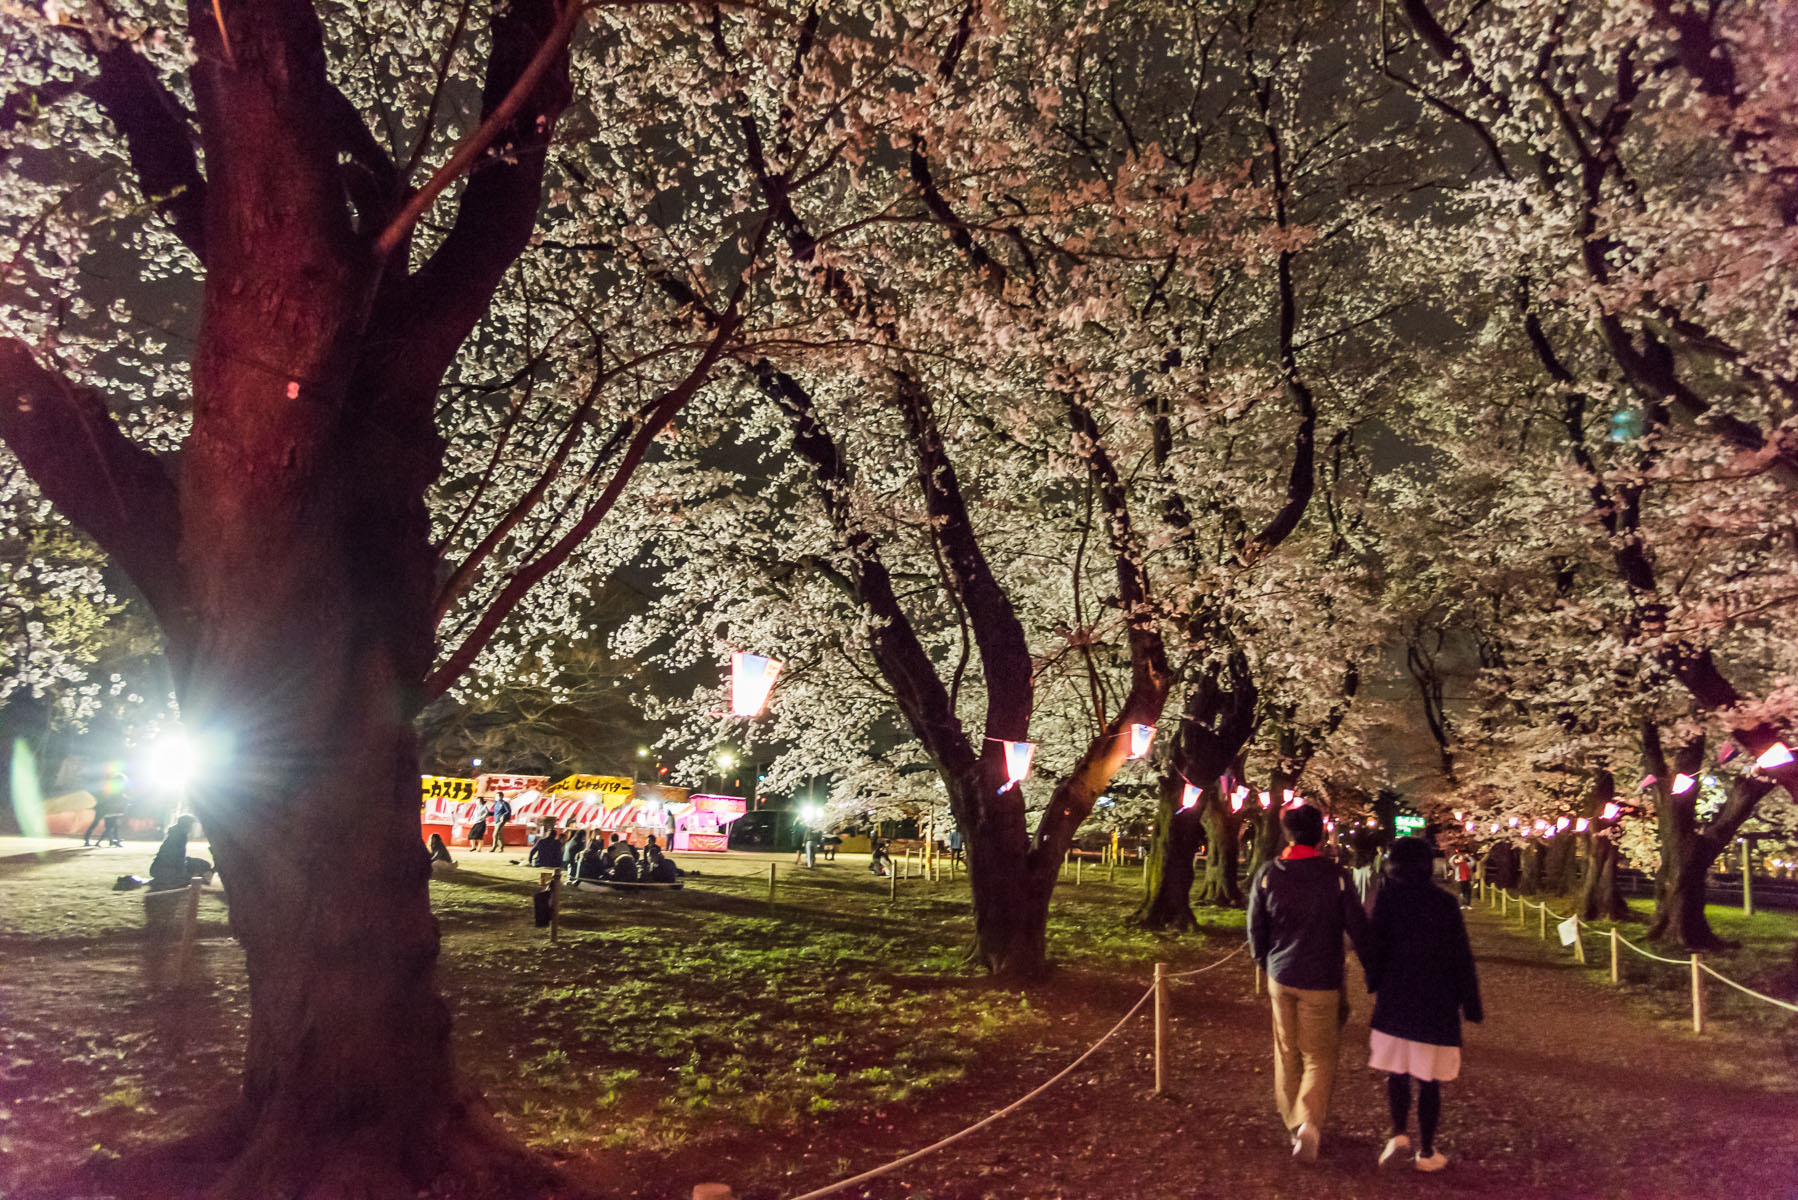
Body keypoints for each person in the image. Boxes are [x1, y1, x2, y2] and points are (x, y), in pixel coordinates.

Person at [1246, 804, 1370, 1164]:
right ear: (1319, 835)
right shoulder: (1335, 876)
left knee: (1286, 1052)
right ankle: (1309, 1124)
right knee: (1319, 1055)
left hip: (1280, 975)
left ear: (1287, 833)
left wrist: (1265, 961)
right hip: (1321, 978)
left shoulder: (1269, 873)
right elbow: (1358, 927)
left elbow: (1255, 928)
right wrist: (1374, 966)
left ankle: (1293, 1124)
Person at [1365, 837, 1483, 1173]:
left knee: (1397, 1072)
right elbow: (1462, 956)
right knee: (1429, 1079)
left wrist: (1375, 982)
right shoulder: (1444, 904)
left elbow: (1374, 949)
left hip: (1396, 998)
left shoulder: (1387, 899)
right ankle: (1427, 1151)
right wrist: (1470, 1003)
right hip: (1436, 1001)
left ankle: (1399, 1134)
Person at [147, 815, 213, 891]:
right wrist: (186, 875)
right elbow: (177, 860)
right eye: (191, 825)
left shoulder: (178, 834)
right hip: (162, 869)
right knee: (185, 879)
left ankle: (165, 881)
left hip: (160, 868)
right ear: (186, 825)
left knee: (202, 864)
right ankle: (161, 882)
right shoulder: (179, 837)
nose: (192, 828)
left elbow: (179, 858)